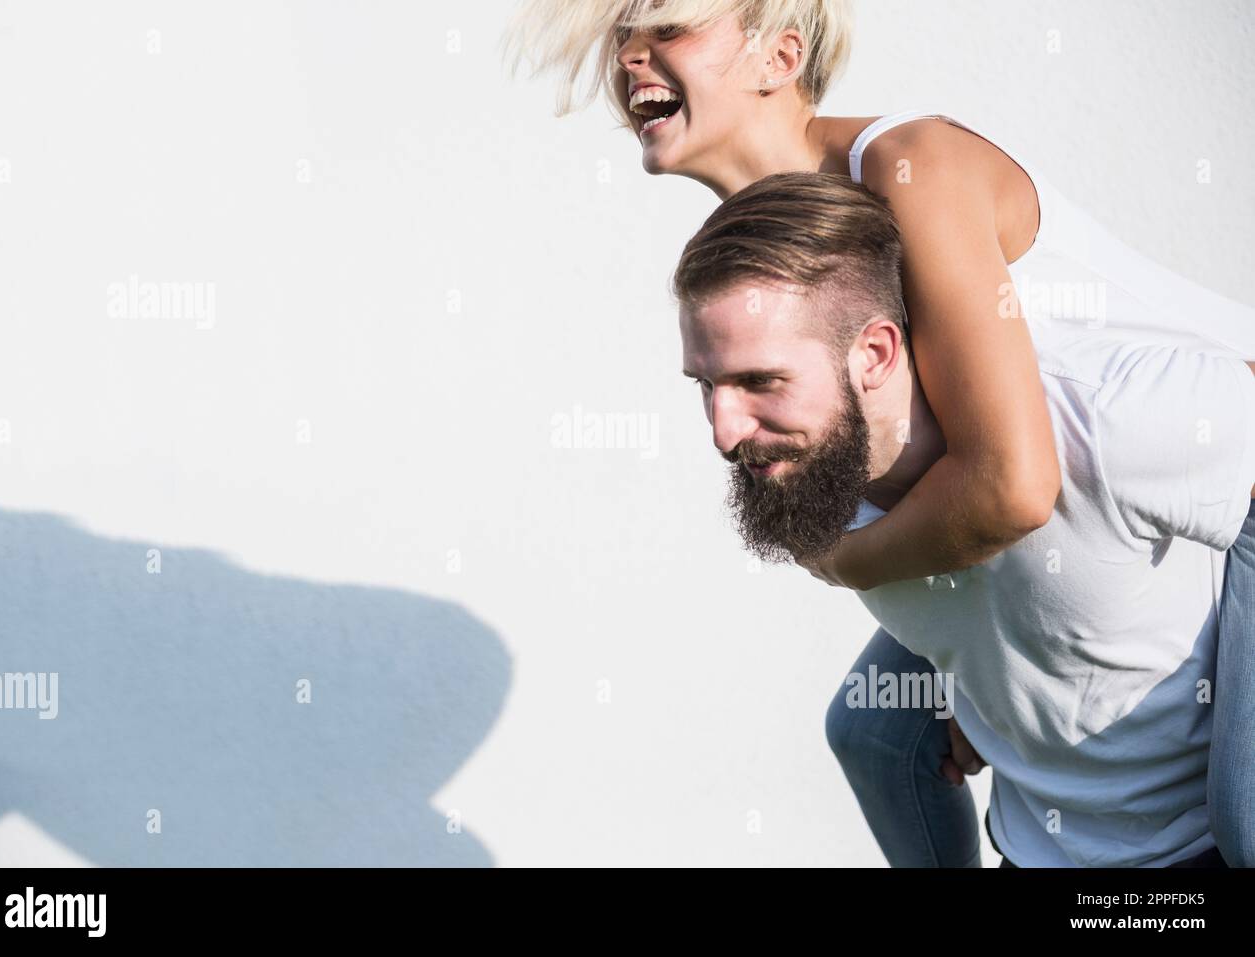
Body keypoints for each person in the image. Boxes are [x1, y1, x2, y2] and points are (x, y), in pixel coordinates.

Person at [503, 0, 1255, 866]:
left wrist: (839, 561)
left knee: (1237, 812)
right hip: (1038, 509)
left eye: (667, 31)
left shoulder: (907, 170)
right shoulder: (782, 257)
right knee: (873, 732)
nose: (630, 58)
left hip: (1208, 476)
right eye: (621, 39)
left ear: (780, 55)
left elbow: (1012, 485)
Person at [672, 169, 1255, 867]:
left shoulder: (1099, 417)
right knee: (868, 730)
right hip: (1034, 847)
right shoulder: (811, 484)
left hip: (1199, 849)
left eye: (759, 381)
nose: (723, 431)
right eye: (706, 385)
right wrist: (985, 682)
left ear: (875, 353)